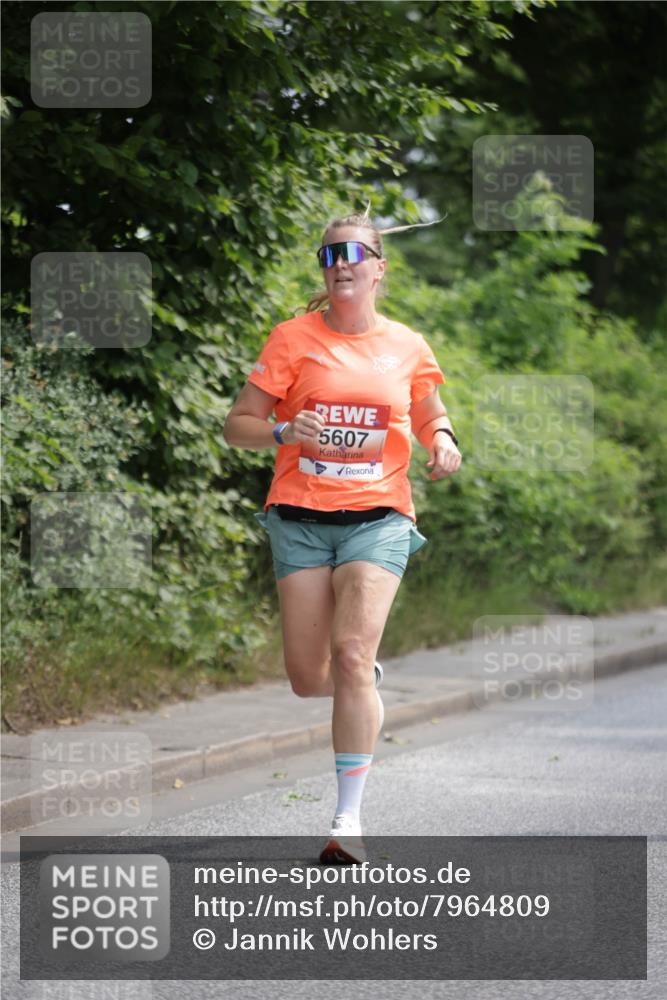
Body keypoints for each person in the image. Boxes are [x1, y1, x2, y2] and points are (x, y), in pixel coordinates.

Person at [222, 206, 461, 863]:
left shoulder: (407, 345)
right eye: (329, 256)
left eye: (353, 254)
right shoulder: (291, 339)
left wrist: (442, 442)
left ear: (378, 268)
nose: (340, 265)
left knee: (349, 654)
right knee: (309, 677)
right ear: (323, 273)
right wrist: (281, 431)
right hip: (298, 519)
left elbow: (429, 413)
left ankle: (346, 823)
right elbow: (236, 424)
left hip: (378, 516)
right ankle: (361, 678)